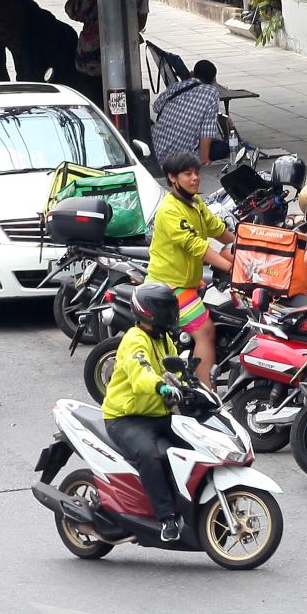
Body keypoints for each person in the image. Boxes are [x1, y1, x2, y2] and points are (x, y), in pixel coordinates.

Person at [101, 283, 186, 542]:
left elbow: (175, 367)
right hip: (126, 418)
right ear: (150, 312)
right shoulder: (135, 340)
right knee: (150, 455)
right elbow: (141, 375)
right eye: (167, 309)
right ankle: (166, 518)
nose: (172, 314)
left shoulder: (164, 338)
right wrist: (161, 386)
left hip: (158, 414)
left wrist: (186, 381)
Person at [148, 152, 237, 387]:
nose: (195, 178)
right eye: (188, 174)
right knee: (206, 331)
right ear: (172, 178)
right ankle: (207, 389)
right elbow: (198, 247)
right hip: (169, 285)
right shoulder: (170, 210)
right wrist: (232, 267)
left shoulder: (195, 203)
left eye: (196, 172)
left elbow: (218, 230)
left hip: (189, 281)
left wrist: (247, 246)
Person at [151, 60, 224, 168]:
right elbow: (206, 132)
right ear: (213, 80)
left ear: (192, 74)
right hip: (181, 158)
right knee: (221, 147)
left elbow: (156, 107)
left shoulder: (176, 86)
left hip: (156, 150)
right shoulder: (212, 93)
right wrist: (205, 160)